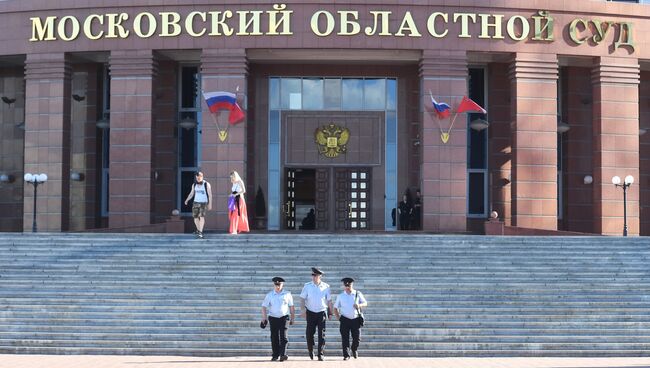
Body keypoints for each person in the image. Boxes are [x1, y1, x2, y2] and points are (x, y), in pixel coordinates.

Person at [300, 267, 332, 361]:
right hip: (310, 312)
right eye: (313, 275)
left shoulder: (326, 286)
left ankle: (320, 354)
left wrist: (330, 312)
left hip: (321, 312)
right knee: (309, 333)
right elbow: (302, 299)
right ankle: (311, 350)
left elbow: (329, 301)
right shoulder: (307, 286)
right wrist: (303, 310)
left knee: (321, 334)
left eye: (316, 275)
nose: (313, 277)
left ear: (320, 276)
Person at [261, 277, 295, 362]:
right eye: (276, 285)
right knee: (274, 337)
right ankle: (275, 355)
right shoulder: (270, 295)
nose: (278, 286)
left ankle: (283, 354)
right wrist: (264, 318)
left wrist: (292, 318)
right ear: (274, 285)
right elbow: (264, 306)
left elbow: (291, 306)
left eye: (279, 284)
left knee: (284, 337)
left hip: (284, 317)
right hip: (273, 318)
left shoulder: (287, 294)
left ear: (282, 284)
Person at [334, 277, 367, 360]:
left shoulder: (357, 294)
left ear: (352, 285)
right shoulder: (340, 296)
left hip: (355, 319)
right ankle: (346, 355)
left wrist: (359, 305)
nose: (347, 287)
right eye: (346, 286)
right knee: (345, 338)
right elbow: (335, 308)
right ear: (344, 286)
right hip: (345, 319)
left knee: (357, 338)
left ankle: (354, 349)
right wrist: (338, 318)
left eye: (349, 285)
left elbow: (365, 303)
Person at [184, 171, 212, 239]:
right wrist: (187, 200)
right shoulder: (194, 184)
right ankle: (199, 230)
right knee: (195, 217)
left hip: (203, 202)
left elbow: (210, 195)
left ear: (202, 177)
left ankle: (200, 232)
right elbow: (191, 193)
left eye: (199, 178)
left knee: (201, 217)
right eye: (197, 178)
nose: (198, 179)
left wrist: (210, 204)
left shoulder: (206, 184)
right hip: (196, 202)